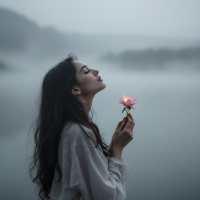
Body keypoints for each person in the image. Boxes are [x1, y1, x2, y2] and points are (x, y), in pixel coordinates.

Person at [29, 54, 135, 200]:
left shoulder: (67, 130)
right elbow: (109, 197)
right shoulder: (79, 133)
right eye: (86, 71)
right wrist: (117, 149)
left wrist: (111, 149)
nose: (96, 71)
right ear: (75, 89)